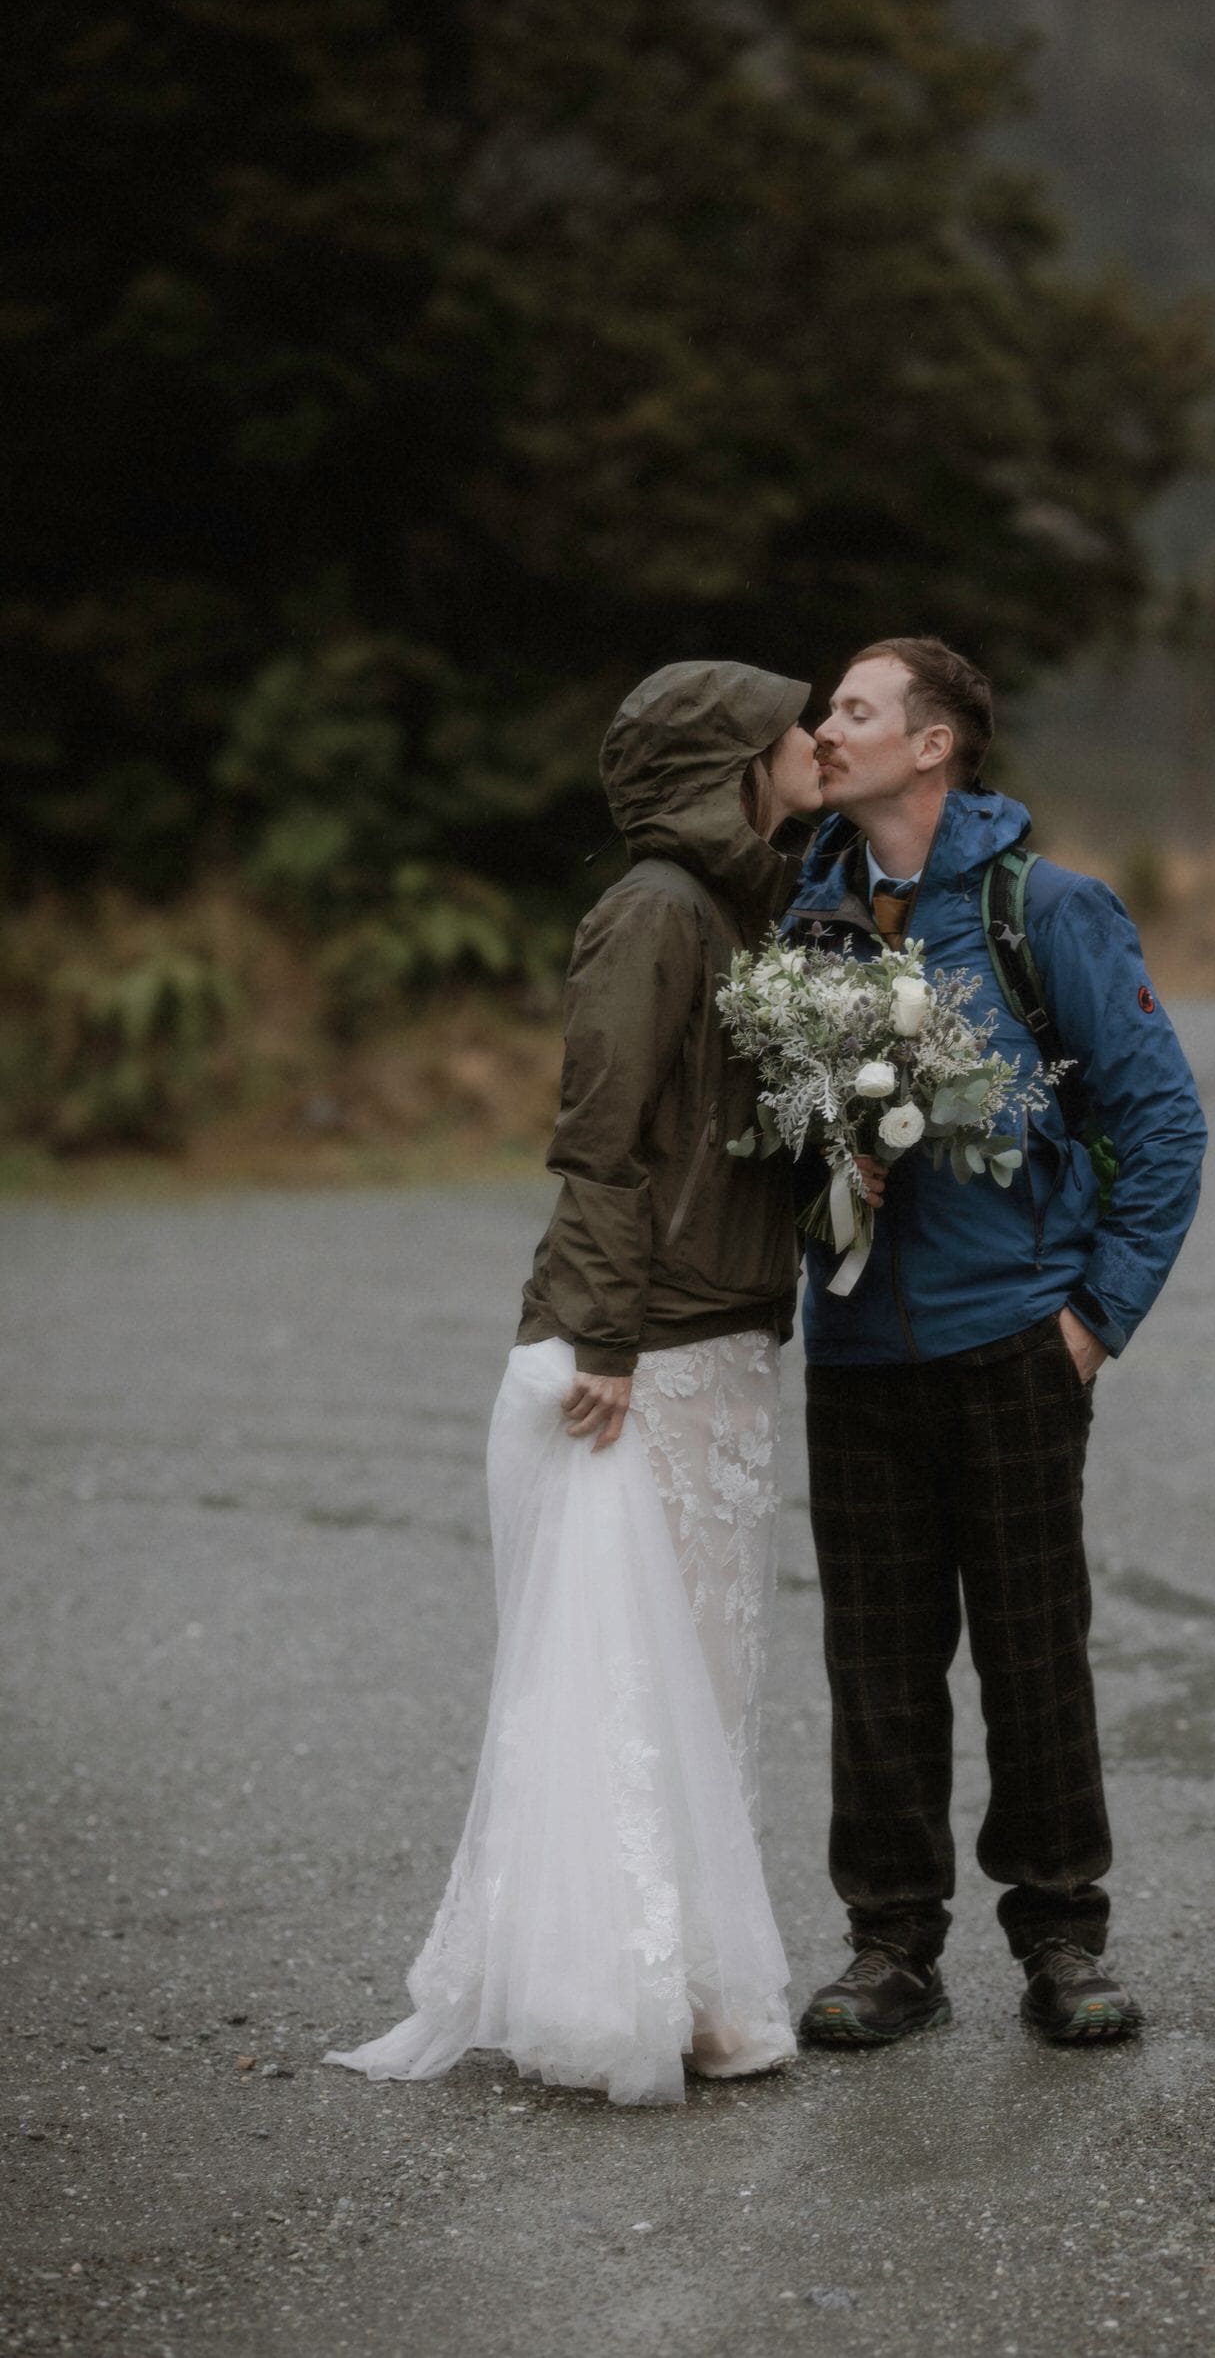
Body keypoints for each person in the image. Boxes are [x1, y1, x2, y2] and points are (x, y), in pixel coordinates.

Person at [326, 661, 824, 2105]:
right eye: (786, 727)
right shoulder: (655, 913)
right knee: (633, 1678)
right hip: (642, 1346)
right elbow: (600, 1137)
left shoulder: (744, 907)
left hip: (719, 1329)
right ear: (729, 760)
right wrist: (603, 1336)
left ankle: (696, 1981)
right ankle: (630, 1992)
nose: (807, 743)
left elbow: (719, 1129)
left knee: (708, 1676)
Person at [785, 636, 1206, 2049]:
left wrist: (1092, 1324)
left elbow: (1161, 1124)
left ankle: (1064, 1937)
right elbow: (772, 1145)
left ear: (933, 744)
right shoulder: (807, 928)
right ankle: (891, 1948)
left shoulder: (1047, 910)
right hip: (854, 1356)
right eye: (826, 710)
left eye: (853, 710)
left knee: (1034, 1651)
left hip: (1015, 1342)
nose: (823, 730)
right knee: (876, 1663)